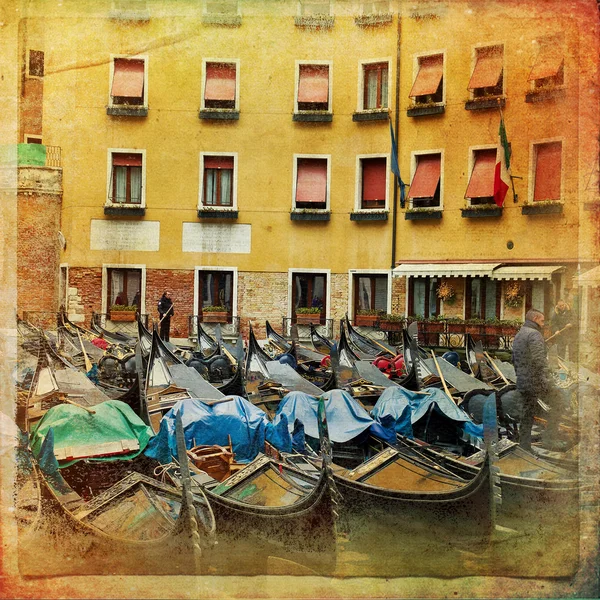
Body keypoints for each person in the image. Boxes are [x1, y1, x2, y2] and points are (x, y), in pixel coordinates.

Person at [512, 308, 565, 451]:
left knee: (527, 414)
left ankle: (524, 446)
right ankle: (550, 440)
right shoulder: (534, 334)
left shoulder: (520, 334)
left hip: (523, 381)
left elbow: (514, 359)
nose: (543, 324)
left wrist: (521, 376)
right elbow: (539, 361)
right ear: (535, 319)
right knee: (558, 402)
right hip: (536, 382)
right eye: (542, 321)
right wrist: (549, 377)